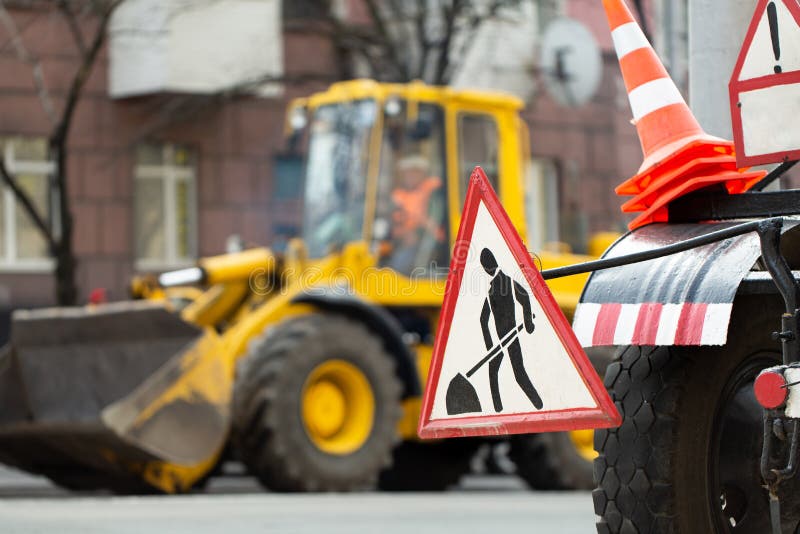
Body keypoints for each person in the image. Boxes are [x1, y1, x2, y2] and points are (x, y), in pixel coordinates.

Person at [479, 248, 543, 412]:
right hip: (501, 339)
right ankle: (498, 410)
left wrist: (528, 323)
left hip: (510, 336)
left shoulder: (503, 283)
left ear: (486, 267)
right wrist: (491, 344)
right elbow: (483, 319)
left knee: (518, 374)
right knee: (500, 372)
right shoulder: (496, 286)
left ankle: (540, 405)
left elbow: (524, 298)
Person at [388, 155, 445, 273]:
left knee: (399, 264)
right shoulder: (399, 196)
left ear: (423, 173)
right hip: (406, 243)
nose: (410, 176)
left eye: (415, 172)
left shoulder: (433, 191)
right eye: (408, 173)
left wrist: (419, 229)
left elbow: (434, 221)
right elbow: (395, 225)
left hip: (430, 244)